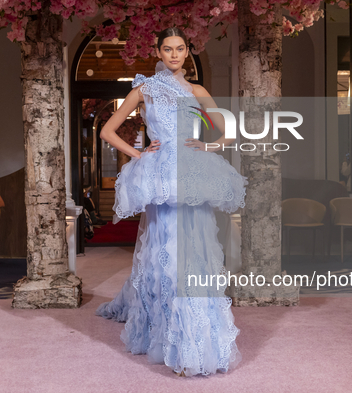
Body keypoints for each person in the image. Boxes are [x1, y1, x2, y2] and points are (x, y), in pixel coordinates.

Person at [95, 28, 246, 377]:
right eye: (168, 49)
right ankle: (167, 335)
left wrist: (208, 146)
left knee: (196, 250)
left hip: (192, 172)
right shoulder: (144, 89)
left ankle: (195, 337)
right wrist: (138, 153)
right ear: (158, 52)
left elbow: (229, 131)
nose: (175, 54)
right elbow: (107, 131)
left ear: (188, 51)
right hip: (161, 174)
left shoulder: (197, 91)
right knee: (164, 252)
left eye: (180, 48)